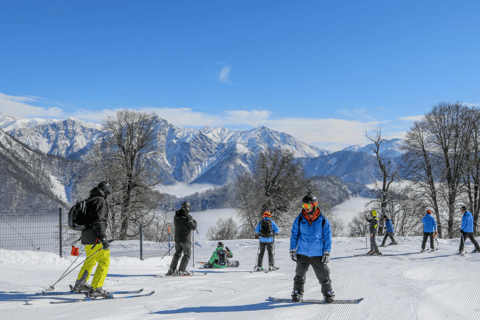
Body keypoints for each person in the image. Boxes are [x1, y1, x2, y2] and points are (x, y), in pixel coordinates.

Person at [289, 193, 335, 303]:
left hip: (317, 253)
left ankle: (328, 294)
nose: (305, 208)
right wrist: (292, 249)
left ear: (314, 206)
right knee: (299, 275)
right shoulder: (300, 219)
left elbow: (327, 237)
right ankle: (297, 293)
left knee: (323, 275)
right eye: (304, 206)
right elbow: (294, 234)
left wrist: (327, 252)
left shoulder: (323, 220)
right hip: (302, 253)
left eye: (307, 206)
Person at [73, 181, 113, 298]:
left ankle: (80, 283)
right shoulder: (100, 201)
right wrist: (103, 237)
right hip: (96, 238)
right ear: (104, 191)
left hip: (86, 237)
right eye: (108, 193)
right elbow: (99, 220)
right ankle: (97, 288)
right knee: (104, 261)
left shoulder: (89, 201)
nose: (108, 195)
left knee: (90, 261)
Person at [166, 202, 197, 276]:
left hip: (177, 239)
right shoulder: (188, 217)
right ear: (188, 208)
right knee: (187, 255)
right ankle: (181, 271)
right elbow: (194, 227)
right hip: (185, 239)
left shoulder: (176, 216)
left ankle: (171, 270)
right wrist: (194, 222)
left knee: (177, 254)